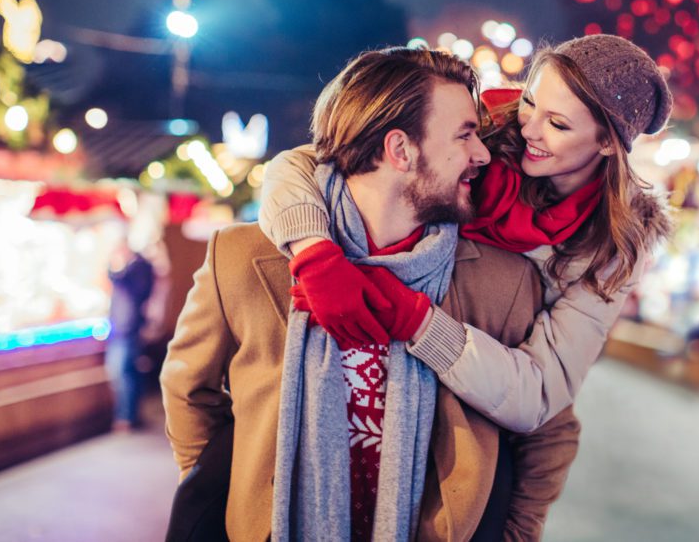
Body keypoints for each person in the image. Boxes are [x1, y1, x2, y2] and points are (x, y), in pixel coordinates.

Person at [160, 48, 579, 541]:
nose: (482, 154)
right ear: (400, 149)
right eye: (465, 134)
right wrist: (234, 495)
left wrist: (516, 534)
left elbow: (547, 429)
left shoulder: (501, 283)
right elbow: (188, 391)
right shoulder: (241, 258)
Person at [260, 34, 673, 434]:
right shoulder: (485, 132)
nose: (529, 130)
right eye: (530, 102)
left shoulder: (612, 246)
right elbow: (309, 163)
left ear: (606, 143)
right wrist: (315, 254)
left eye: (559, 124)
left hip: (467, 403)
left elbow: (543, 393)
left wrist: (417, 320)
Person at [106, 234, 155, 431]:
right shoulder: (134, 267)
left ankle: (127, 416)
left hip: (129, 327)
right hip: (122, 326)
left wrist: (114, 267)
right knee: (128, 371)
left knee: (123, 371)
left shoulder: (139, 267)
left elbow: (128, 288)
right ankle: (129, 415)